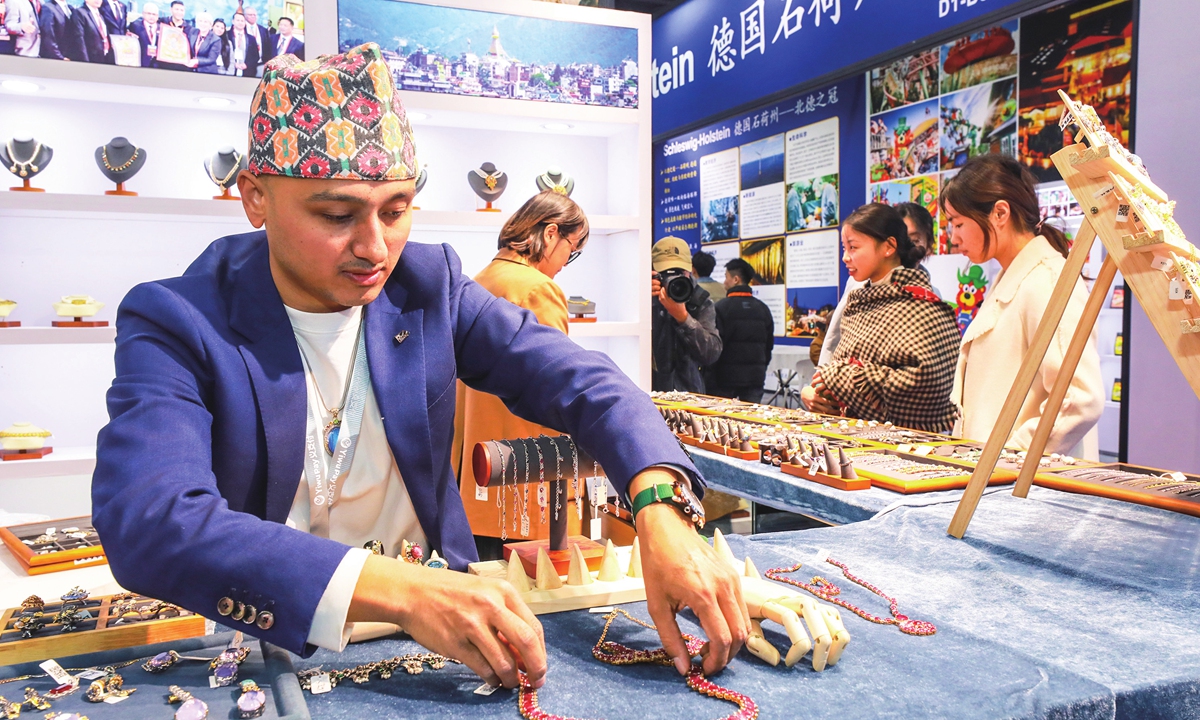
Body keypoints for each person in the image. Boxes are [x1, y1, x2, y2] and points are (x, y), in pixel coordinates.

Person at [92, 44, 748, 693]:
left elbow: (586, 383)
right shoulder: (177, 319)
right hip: (271, 647)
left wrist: (660, 505)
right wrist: (403, 591)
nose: (375, 248)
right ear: (256, 199)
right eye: (336, 215)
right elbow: (152, 520)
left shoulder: (426, 286)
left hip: (443, 654)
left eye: (397, 209)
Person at [452, 191, 589, 545]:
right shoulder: (537, 289)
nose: (564, 262)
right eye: (571, 251)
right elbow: (558, 386)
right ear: (550, 234)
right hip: (527, 480)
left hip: (476, 475)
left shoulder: (479, 281)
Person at [942, 154, 1102, 455]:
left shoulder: (1047, 279)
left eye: (958, 223)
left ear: (1000, 213)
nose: (953, 238)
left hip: (1021, 486)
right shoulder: (1013, 277)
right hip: (994, 478)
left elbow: (1079, 398)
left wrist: (1009, 457)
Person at [802, 203, 960, 432]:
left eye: (853, 247)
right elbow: (833, 355)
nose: (845, 257)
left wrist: (840, 376)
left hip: (904, 441)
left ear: (889, 247)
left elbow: (927, 384)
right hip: (851, 431)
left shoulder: (921, 305)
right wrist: (822, 387)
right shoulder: (859, 299)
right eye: (844, 248)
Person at [650, 236, 722, 393]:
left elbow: (711, 353)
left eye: (680, 271)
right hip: (648, 390)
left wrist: (683, 318)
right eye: (666, 272)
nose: (674, 278)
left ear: (690, 271)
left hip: (688, 392)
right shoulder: (643, 295)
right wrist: (644, 299)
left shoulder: (698, 298)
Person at [710, 258, 773, 403]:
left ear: (736, 279)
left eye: (726, 277)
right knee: (750, 421)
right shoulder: (763, 309)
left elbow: (715, 346)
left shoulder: (720, 308)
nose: (724, 282)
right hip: (754, 378)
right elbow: (768, 346)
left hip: (724, 379)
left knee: (722, 422)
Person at [222, 10, 257, 76]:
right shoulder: (226, 35)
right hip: (230, 71)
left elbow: (255, 56)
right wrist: (233, 64)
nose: (240, 23)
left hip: (247, 72)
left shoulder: (251, 38)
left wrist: (247, 64)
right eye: (238, 20)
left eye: (242, 21)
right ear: (233, 21)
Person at [127, 1, 158, 67]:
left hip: (157, 66)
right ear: (143, 14)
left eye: (154, 14)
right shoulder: (135, 26)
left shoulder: (162, 29)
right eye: (149, 13)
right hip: (140, 64)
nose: (151, 16)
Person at [243, 4, 268, 72]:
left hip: (261, 63)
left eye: (255, 15)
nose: (253, 16)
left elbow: (267, 47)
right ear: (245, 16)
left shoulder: (263, 30)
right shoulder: (242, 28)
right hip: (246, 65)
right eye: (250, 15)